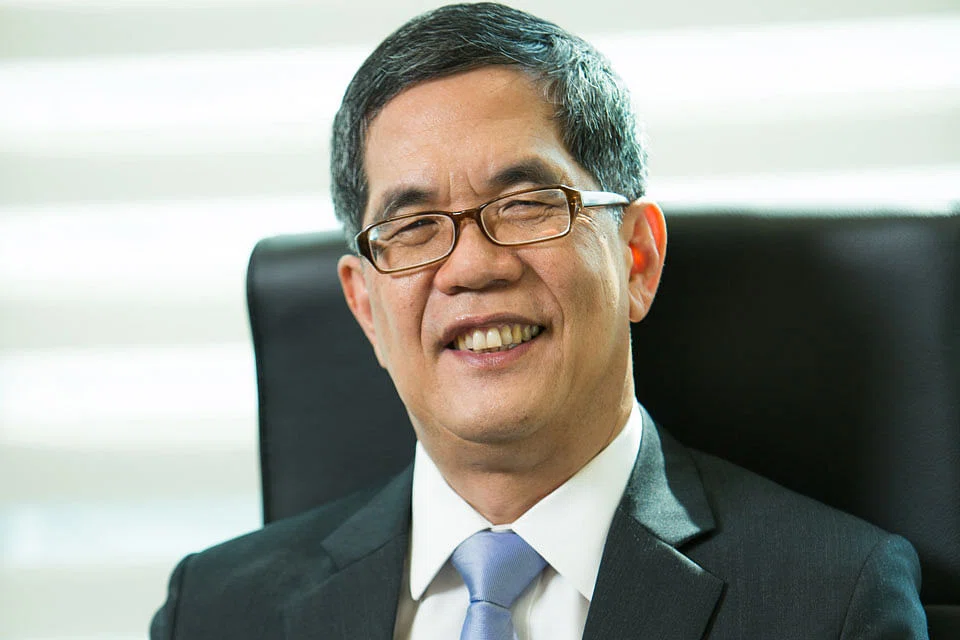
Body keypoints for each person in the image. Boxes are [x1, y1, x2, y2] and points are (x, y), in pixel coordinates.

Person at [151, 3, 927, 638]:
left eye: (525, 205)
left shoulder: (831, 603)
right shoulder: (216, 612)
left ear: (636, 258)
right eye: (413, 226)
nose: (472, 266)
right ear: (365, 308)